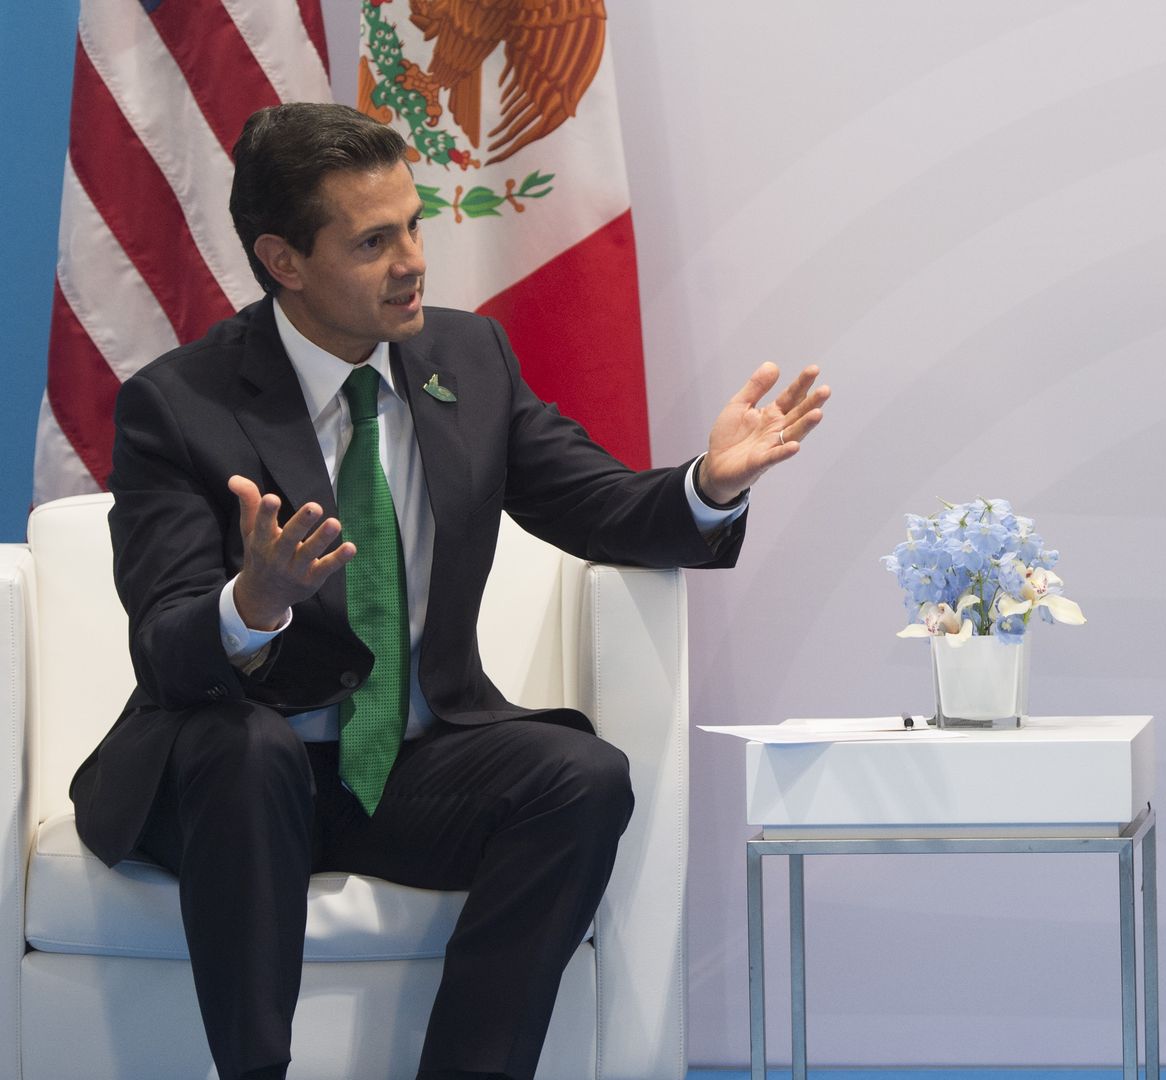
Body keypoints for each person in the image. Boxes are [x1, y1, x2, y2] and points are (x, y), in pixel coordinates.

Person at [66, 102, 829, 1080]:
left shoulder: (467, 359)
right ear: (284, 260)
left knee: (580, 777)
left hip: (407, 771)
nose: (414, 259)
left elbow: (597, 505)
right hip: (229, 778)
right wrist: (253, 602)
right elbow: (167, 647)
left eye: (415, 224)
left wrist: (708, 486)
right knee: (247, 746)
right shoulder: (180, 404)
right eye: (374, 241)